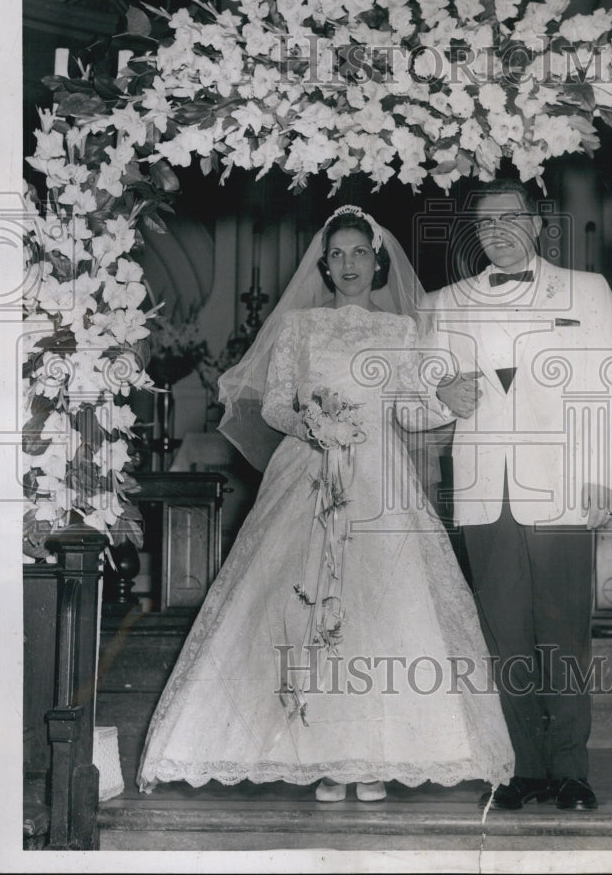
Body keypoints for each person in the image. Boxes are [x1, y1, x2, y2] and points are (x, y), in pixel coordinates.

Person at [136, 206, 514, 803]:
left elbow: (411, 411)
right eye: (336, 255)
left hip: (378, 478)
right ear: (325, 264)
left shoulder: (400, 332)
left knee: (378, 606)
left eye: (359, 253)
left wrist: (444, 400)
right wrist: (312, 424)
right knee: (300, 600)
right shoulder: (300, 329)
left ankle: (373, 757)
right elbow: (273, 406)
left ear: (377, 259)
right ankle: (317, 753)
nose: (348, 265)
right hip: (307, 473)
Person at [425, 178, 612, 811]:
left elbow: (610, 386)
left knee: (564, 634)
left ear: (537, 225)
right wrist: (442, 397)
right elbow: (424, 396)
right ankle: (520, 769)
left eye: (510, 220)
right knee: (505, 635)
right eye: (486, 224)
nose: (499, 233)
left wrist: (603, 474)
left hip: (564, 486)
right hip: (486, 491)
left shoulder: (586, 291)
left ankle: (569, 769)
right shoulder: (444, 303)